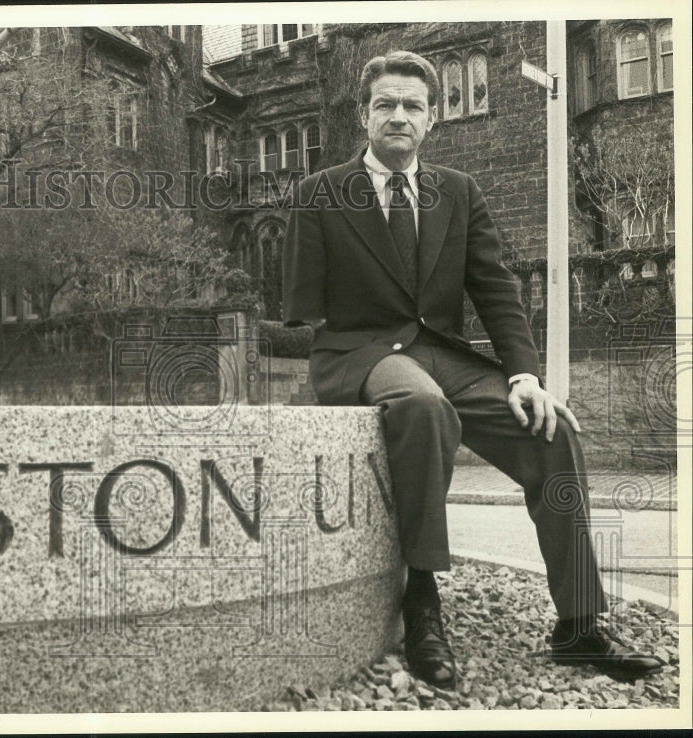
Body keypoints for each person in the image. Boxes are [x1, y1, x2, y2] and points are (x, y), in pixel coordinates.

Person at [282, 50, 661, 688]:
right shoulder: (318, 194)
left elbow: (495, 288)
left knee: (553, 430)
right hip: (361, 351)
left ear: (432, 118)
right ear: (363, 114)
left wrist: (525, 375)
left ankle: (579, 625)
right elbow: (304, 311)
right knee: (424, 407)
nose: (398, 116)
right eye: (385, 104)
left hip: (440, 352)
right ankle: (421, 600)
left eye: (412, 106)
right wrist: (333, 373)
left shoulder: (458, 191)